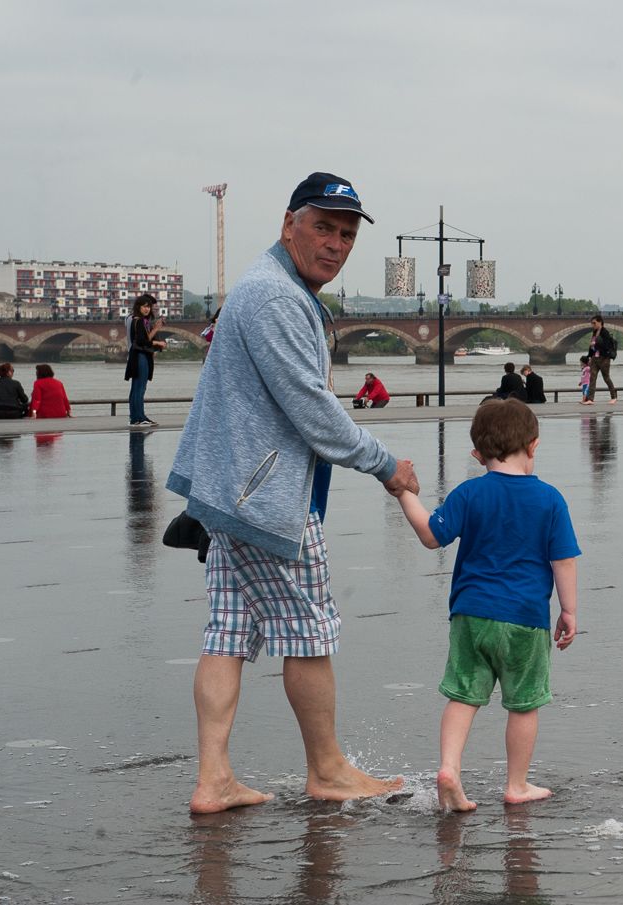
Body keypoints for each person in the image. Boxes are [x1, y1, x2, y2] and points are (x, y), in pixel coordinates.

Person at [167, 170, 419, 814]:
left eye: (346, 234)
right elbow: (311, 409)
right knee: (310, 631)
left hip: (232, 492)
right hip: (263, 497)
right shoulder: (276, 298)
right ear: (289, 224)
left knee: (228, 630)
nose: (336, 244)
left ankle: (214, 778)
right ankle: (328, 770)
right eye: (323, 228)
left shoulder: (267, 288)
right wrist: (385, 464)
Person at [393, 399, 580, 810]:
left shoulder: (469, 493)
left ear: (477, 454)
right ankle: (516, 785)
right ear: (533, 445)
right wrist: (568, 611)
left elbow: (430, 535)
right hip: (525, 620)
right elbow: (562, 559)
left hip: (471, 614)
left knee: (463, 696)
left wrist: (404, 492)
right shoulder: (550, 500)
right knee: (524, 704)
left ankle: (449, 769)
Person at [125, 293, 165, 426]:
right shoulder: (139, 320)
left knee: (136, 387)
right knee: (140, 388)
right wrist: (157, 343)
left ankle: (135, 417)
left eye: (149, 307)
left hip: (136, 355)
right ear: (139, 307)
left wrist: (155, 329)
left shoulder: (138, 320)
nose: (147, 309)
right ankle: (139, 417)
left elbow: (144, 338)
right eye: (145, 306)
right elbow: (142, 341)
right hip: (140, 356)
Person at [586, 316, 619, 403]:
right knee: (592, 378)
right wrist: (589, 356)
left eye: (594, 323)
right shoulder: (594, 332)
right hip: (594, 358)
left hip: (604, 358)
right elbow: (591, 346)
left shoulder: (605, 333)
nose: (593, 325)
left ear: (600, 322)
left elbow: (606, 346)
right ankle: (590, 399)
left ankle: (614, 397)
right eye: (592, 323)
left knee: (606, 378)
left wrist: (595, 344)